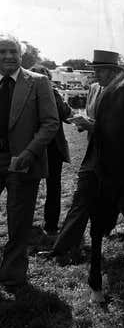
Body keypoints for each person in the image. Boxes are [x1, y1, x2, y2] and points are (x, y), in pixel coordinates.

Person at [50, 50, 124, 259]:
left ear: (113, 72)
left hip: (117, 155)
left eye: (100, 71)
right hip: (93, 153)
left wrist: (91, 126)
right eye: (95, 71)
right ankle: (62, 248)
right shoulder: (93, 89)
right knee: (80, 198)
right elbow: (93, 117)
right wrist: (84, 124)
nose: (95, 75)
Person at [0, 33, 58, 291]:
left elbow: (50, 123)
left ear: (21, 55)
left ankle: (12, 274)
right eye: (3, 52)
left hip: (22, 162)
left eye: (13, 51)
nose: (9, 56)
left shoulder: (38, 82)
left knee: (19, 221)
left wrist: (30, 152)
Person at [30, 65, 73, 235]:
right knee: (52, 186)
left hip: (34, 145)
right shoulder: (52, 93)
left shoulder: (25, 93)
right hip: (49, 146)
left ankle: (29, 223)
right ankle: (51, 225)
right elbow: (66, 114)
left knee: (31, 186)